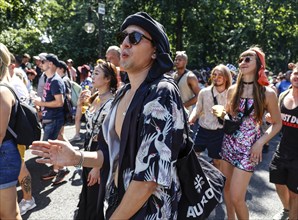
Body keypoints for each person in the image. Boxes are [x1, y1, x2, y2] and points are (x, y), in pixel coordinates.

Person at [31, 12, 188, 219]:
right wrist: (77, 157)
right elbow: (111, 153)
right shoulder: (123, 92)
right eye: (122, 37)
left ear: (155, 51)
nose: (125, 43)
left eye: (135, 38)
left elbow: (148, 181)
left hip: (149, 212)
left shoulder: (161, 93)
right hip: (119, 202)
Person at [220, 46, 282, 220]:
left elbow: (278, 124)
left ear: (259, 64)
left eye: (248, 59)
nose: (243, 62)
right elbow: (230, 115)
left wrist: (260, 142)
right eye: (241, 59)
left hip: (249, 148)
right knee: (226, 188)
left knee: (237, 197)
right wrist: (221, 114)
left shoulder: (267, 93)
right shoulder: (233, 90)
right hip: (228, 144)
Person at [76, 60, 117, 219]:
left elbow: (110, 137)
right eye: (93, 73)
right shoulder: (94, 98)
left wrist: (97, 167)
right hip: (88, 150)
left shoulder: (113, 102)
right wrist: (80, 104)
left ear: (107, 79)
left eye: (97, 74)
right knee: (86, 195)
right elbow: (80, 120)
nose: (92, 76)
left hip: (100, 151)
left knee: (95, 200)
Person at [32, 54, 70, 186]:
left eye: (43, 61)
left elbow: (59, 102)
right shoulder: (49, 79)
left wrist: (41, 104)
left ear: (51, 64)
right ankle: (56, 170)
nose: (40, 63)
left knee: (48, 148)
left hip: (54, 119)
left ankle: (62, 169)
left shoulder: (55, 81)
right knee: (52, 147)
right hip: (49, 118)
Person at [8, 54, 37, 215]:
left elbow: (21, 109)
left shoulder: (13, 83)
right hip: (9, 134)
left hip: (13, 134)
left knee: (20, 165)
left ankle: (28, 199)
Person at [189, 64, 232, 170]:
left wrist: (222, 114)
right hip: (203, 130)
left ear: (226, 78)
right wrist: (191, 118)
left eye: (220, 75)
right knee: (192, 156)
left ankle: (217, 182)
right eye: (214, 74)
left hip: (219, 133)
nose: (216, 78)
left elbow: (233, 116)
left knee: (217, 161)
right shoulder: (204, 92)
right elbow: (197, 108)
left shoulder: (231, 94)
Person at [269, 65, 298, 220]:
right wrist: (271, 119)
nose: (297, 77)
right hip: (283, 149)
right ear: (291, 75)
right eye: (295, 73)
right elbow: (278, 121)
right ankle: (287, 210)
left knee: (295, 194)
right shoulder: (283, 95)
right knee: (278, 182)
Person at [0, 43, 22, 219]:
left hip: (3, 155)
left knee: (9, 214)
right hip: (5, 153)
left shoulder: (2, 91)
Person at [173, 51, 200, 138]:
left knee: (186, 142)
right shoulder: (172, 76)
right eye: (176, 59)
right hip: (174, 115)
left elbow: (198, 96)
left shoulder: (190, 77)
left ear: (185, 62)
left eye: (179, 60)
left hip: (187, 116)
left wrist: (183, 105)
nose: (176, 61)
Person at [70, 64, 93, 141]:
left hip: (87, 102)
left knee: (88, 119)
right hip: (81, 102)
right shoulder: (85, 80)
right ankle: (77, 134)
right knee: (77, 118)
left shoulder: (89, 80)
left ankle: (88, 135)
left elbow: (91, 91)